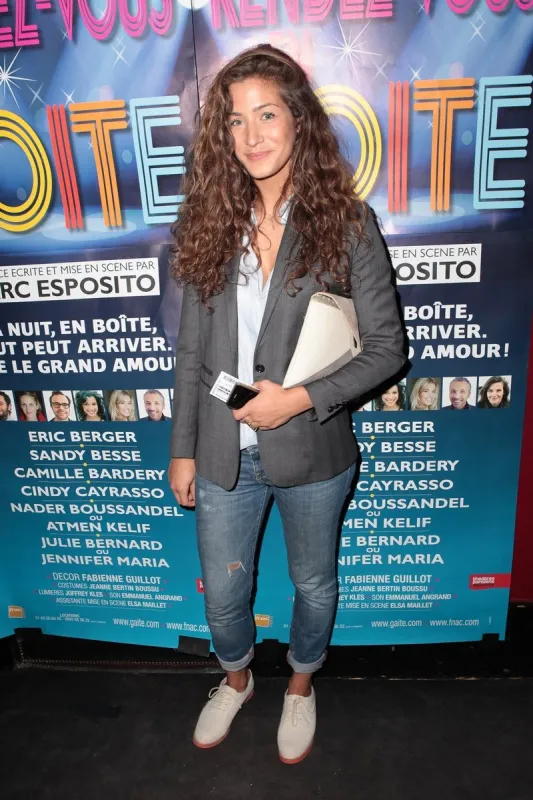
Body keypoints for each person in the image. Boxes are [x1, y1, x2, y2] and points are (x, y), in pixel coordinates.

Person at [168, 45, 405, 764]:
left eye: (267, 114)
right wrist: (182, 448)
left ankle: (301, 684)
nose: (252, 135)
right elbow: (192, 352)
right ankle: (237, 679)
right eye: (235, 121)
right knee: (222, 598)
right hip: (221, 451)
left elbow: (386, 349)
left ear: (298, 119)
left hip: (313, 451)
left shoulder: (345, 222)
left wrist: (296, 400)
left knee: (313, 583)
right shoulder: (212, 221)